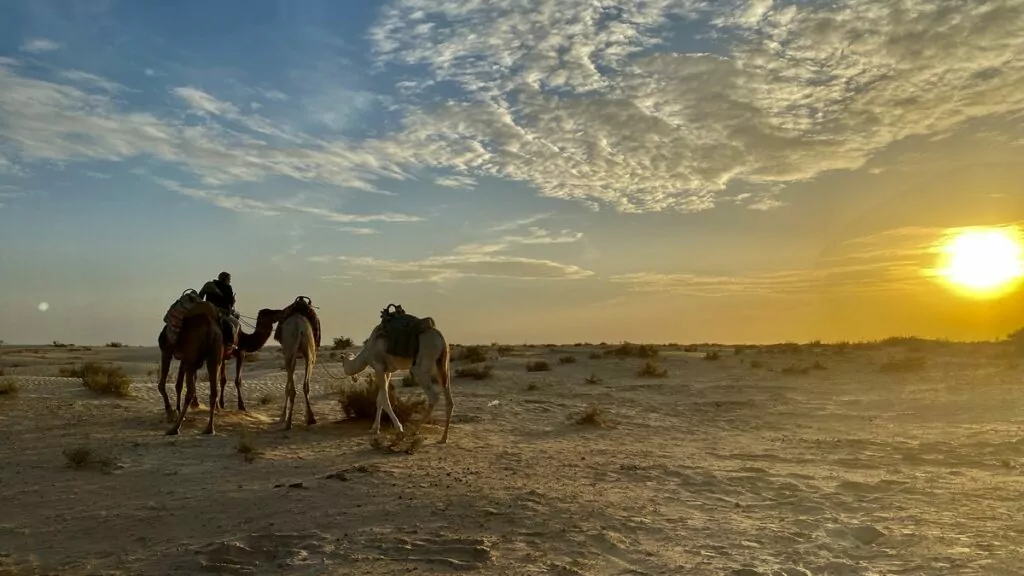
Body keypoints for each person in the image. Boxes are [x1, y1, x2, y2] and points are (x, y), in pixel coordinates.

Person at [199, 271, 240, 346]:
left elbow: (200, 297)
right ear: (226, 279)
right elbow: (229, 303)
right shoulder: (227, 287)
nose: (229, 281)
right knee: (236, 323)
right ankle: (230, 344)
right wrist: (233, 302)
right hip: (220, 313)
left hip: (207, 310)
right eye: (229, 280)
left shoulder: (209, 285)